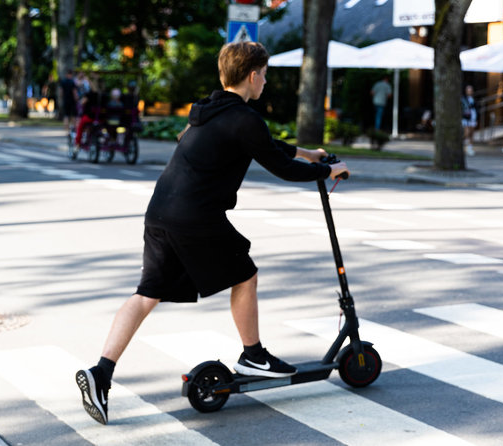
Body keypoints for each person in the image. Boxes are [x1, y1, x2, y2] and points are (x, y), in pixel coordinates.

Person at [75, 41, 349, 425]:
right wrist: (327, 171)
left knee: (146, 293)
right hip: (195, 218)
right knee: (246, 275)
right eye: (265, 75)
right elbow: (279, 167)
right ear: (252, 75)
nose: (266, 82)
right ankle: (254, 354)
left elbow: (263, 145)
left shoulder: (206, 109)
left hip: (160, 212)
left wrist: (307, 153)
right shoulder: (244, 118)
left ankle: (100, 372)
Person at [461, 85, 477, 156]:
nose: (469, 92)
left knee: (471, 133)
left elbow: (476, 108)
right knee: (466, 132)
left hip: (473, 117)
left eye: (470, 90)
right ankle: (464, 144)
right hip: (466, 118)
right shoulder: (463, 99)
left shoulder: (474, 99)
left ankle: (470, 148)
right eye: (468, 90)